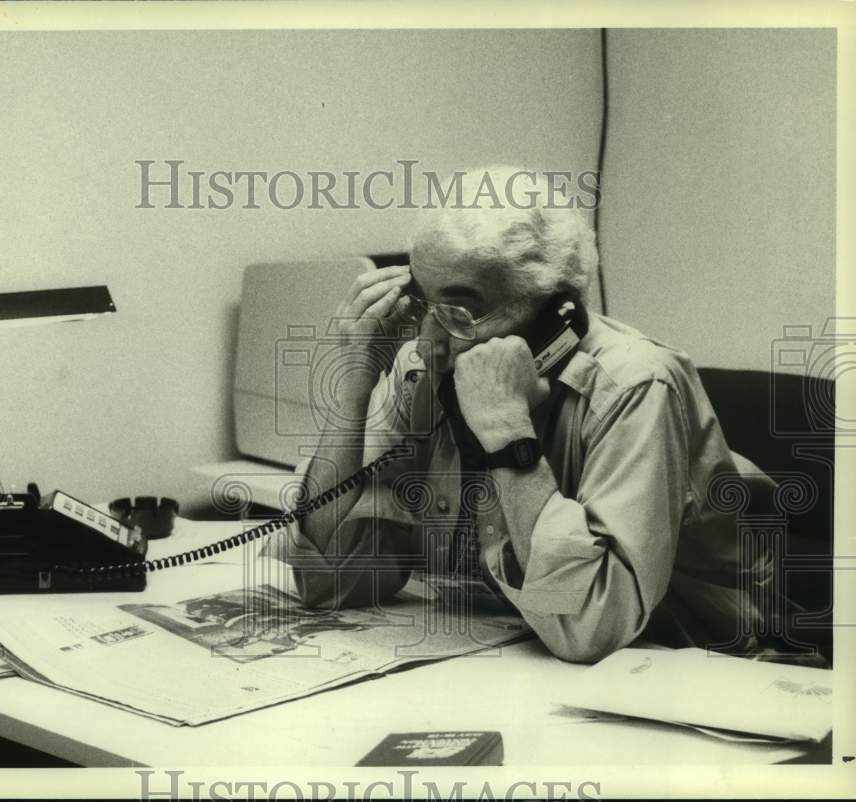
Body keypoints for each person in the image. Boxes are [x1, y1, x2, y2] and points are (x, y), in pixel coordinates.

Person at [283, 166, 784, 664]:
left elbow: (590, 630)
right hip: (514, 659)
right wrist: (355, 387)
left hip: (685, 671)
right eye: (422, 304)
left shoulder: (635, 384)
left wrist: (506, 431)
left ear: (554, 316)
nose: (428, 341)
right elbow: (330, 581)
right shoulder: (425, 371)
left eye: (459, 314)